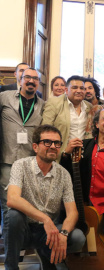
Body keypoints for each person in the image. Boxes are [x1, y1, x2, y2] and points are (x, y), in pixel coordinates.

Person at [3, 125, 85, 270]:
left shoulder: (64, 174)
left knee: (78, 237)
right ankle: (11, 267)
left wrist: (64, 234)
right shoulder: (20, 165)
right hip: (23, 230)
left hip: (50, 232)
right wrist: (45, 218)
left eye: (57, 143)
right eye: (47, 142)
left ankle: (49, 256)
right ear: (35, 147)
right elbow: (12, 199)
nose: (53, 146)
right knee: (13, 215)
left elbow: (72, 212)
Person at [60, 108, 104, 269]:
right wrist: (65, 154)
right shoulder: (83, 146)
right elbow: (67, 174)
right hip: (84, 201)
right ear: (97, 124)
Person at [0, 67, 44, 229]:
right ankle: (13, 251)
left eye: (35, 79)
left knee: (25, 206)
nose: (31, 81)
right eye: (28, 77)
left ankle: (21, 245)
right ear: (20, 79)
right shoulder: (4, 98)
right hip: (7, 161)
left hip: (30, 164)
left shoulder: (43, 105)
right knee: (8, 207)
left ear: (38, 83)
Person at [42, 75, 92, 157]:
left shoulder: (89, 107)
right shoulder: (54, 103)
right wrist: (64, 151)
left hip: (83, 155)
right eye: (75, 87)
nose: (79, 91)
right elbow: (45, 130)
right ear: (66, 90)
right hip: (61, 154)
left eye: (82, 88)